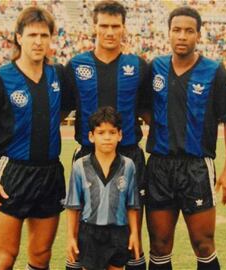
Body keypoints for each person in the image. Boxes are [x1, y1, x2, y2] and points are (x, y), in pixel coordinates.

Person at [145, 6, 226, 270]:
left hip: (196, 167)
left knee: (203, 244)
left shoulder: (214, 71)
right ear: (168, 33)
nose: (182, 36)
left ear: (198, 35)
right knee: (159, 245)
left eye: (189, 31)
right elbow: (142, 108)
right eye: (176, 30)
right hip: (159, 167)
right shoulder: (156, 67)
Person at [0, 7, 66, 270]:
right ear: (18, 37)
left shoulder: (58, 75)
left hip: (50, 172)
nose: (38, 41)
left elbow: (63, 109)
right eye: (32, 34)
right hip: (13, 172)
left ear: (51, 39)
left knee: (41, 254)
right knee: (6, 255)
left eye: (44, 35)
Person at [63, 1, 149, 268]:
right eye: (104, 26)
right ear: (94, 27)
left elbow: (150, 113)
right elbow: (59, 111)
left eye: (115, 26)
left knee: (130, 235)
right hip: (89, 157)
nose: (109, 32)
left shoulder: (138, 66)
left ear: (124, 28)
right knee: (83, 232)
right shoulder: (76, 66)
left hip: (129, 157)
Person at [65, 106, 140, 270]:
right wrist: (71, 237)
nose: (107, 137)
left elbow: (132, 205)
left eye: (112, 132)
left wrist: (134, 234)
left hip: (118, 232)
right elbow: (73, 207)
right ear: (91, 136)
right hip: (90, 232)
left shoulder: (128, 166)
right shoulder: (80, 166)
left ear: (120, 135)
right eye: (101, 132)